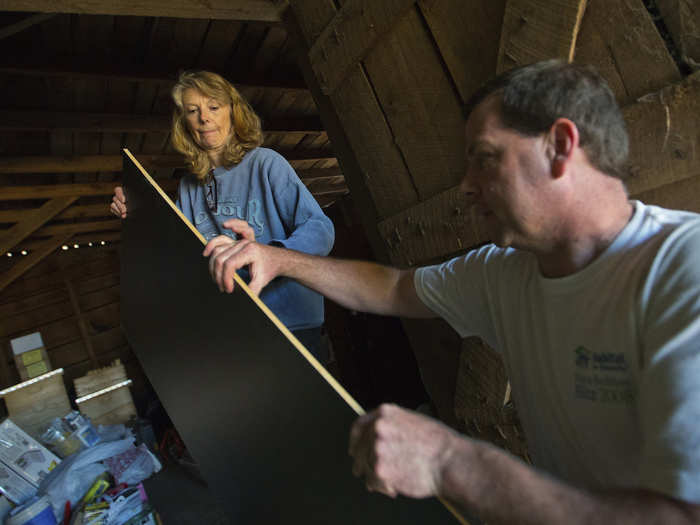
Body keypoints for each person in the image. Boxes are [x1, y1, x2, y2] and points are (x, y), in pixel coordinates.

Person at [202, 60, 700, 524]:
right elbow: (395, 287)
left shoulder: (682, 269)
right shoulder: (506, 273)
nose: (465, 185)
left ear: (561, 147)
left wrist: (449, 461)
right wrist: (277, 258)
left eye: (484, 158)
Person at [111, 70, 335, 361]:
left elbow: (320, 229)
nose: (204, 118)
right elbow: (176, 254)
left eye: (213, 107)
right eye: (193, 111)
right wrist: (137, 215)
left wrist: (271, 256)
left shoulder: (266, 163)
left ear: (233, 111)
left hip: (290, 322)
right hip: (236, 330)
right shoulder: (188, 188)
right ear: (185, 123)